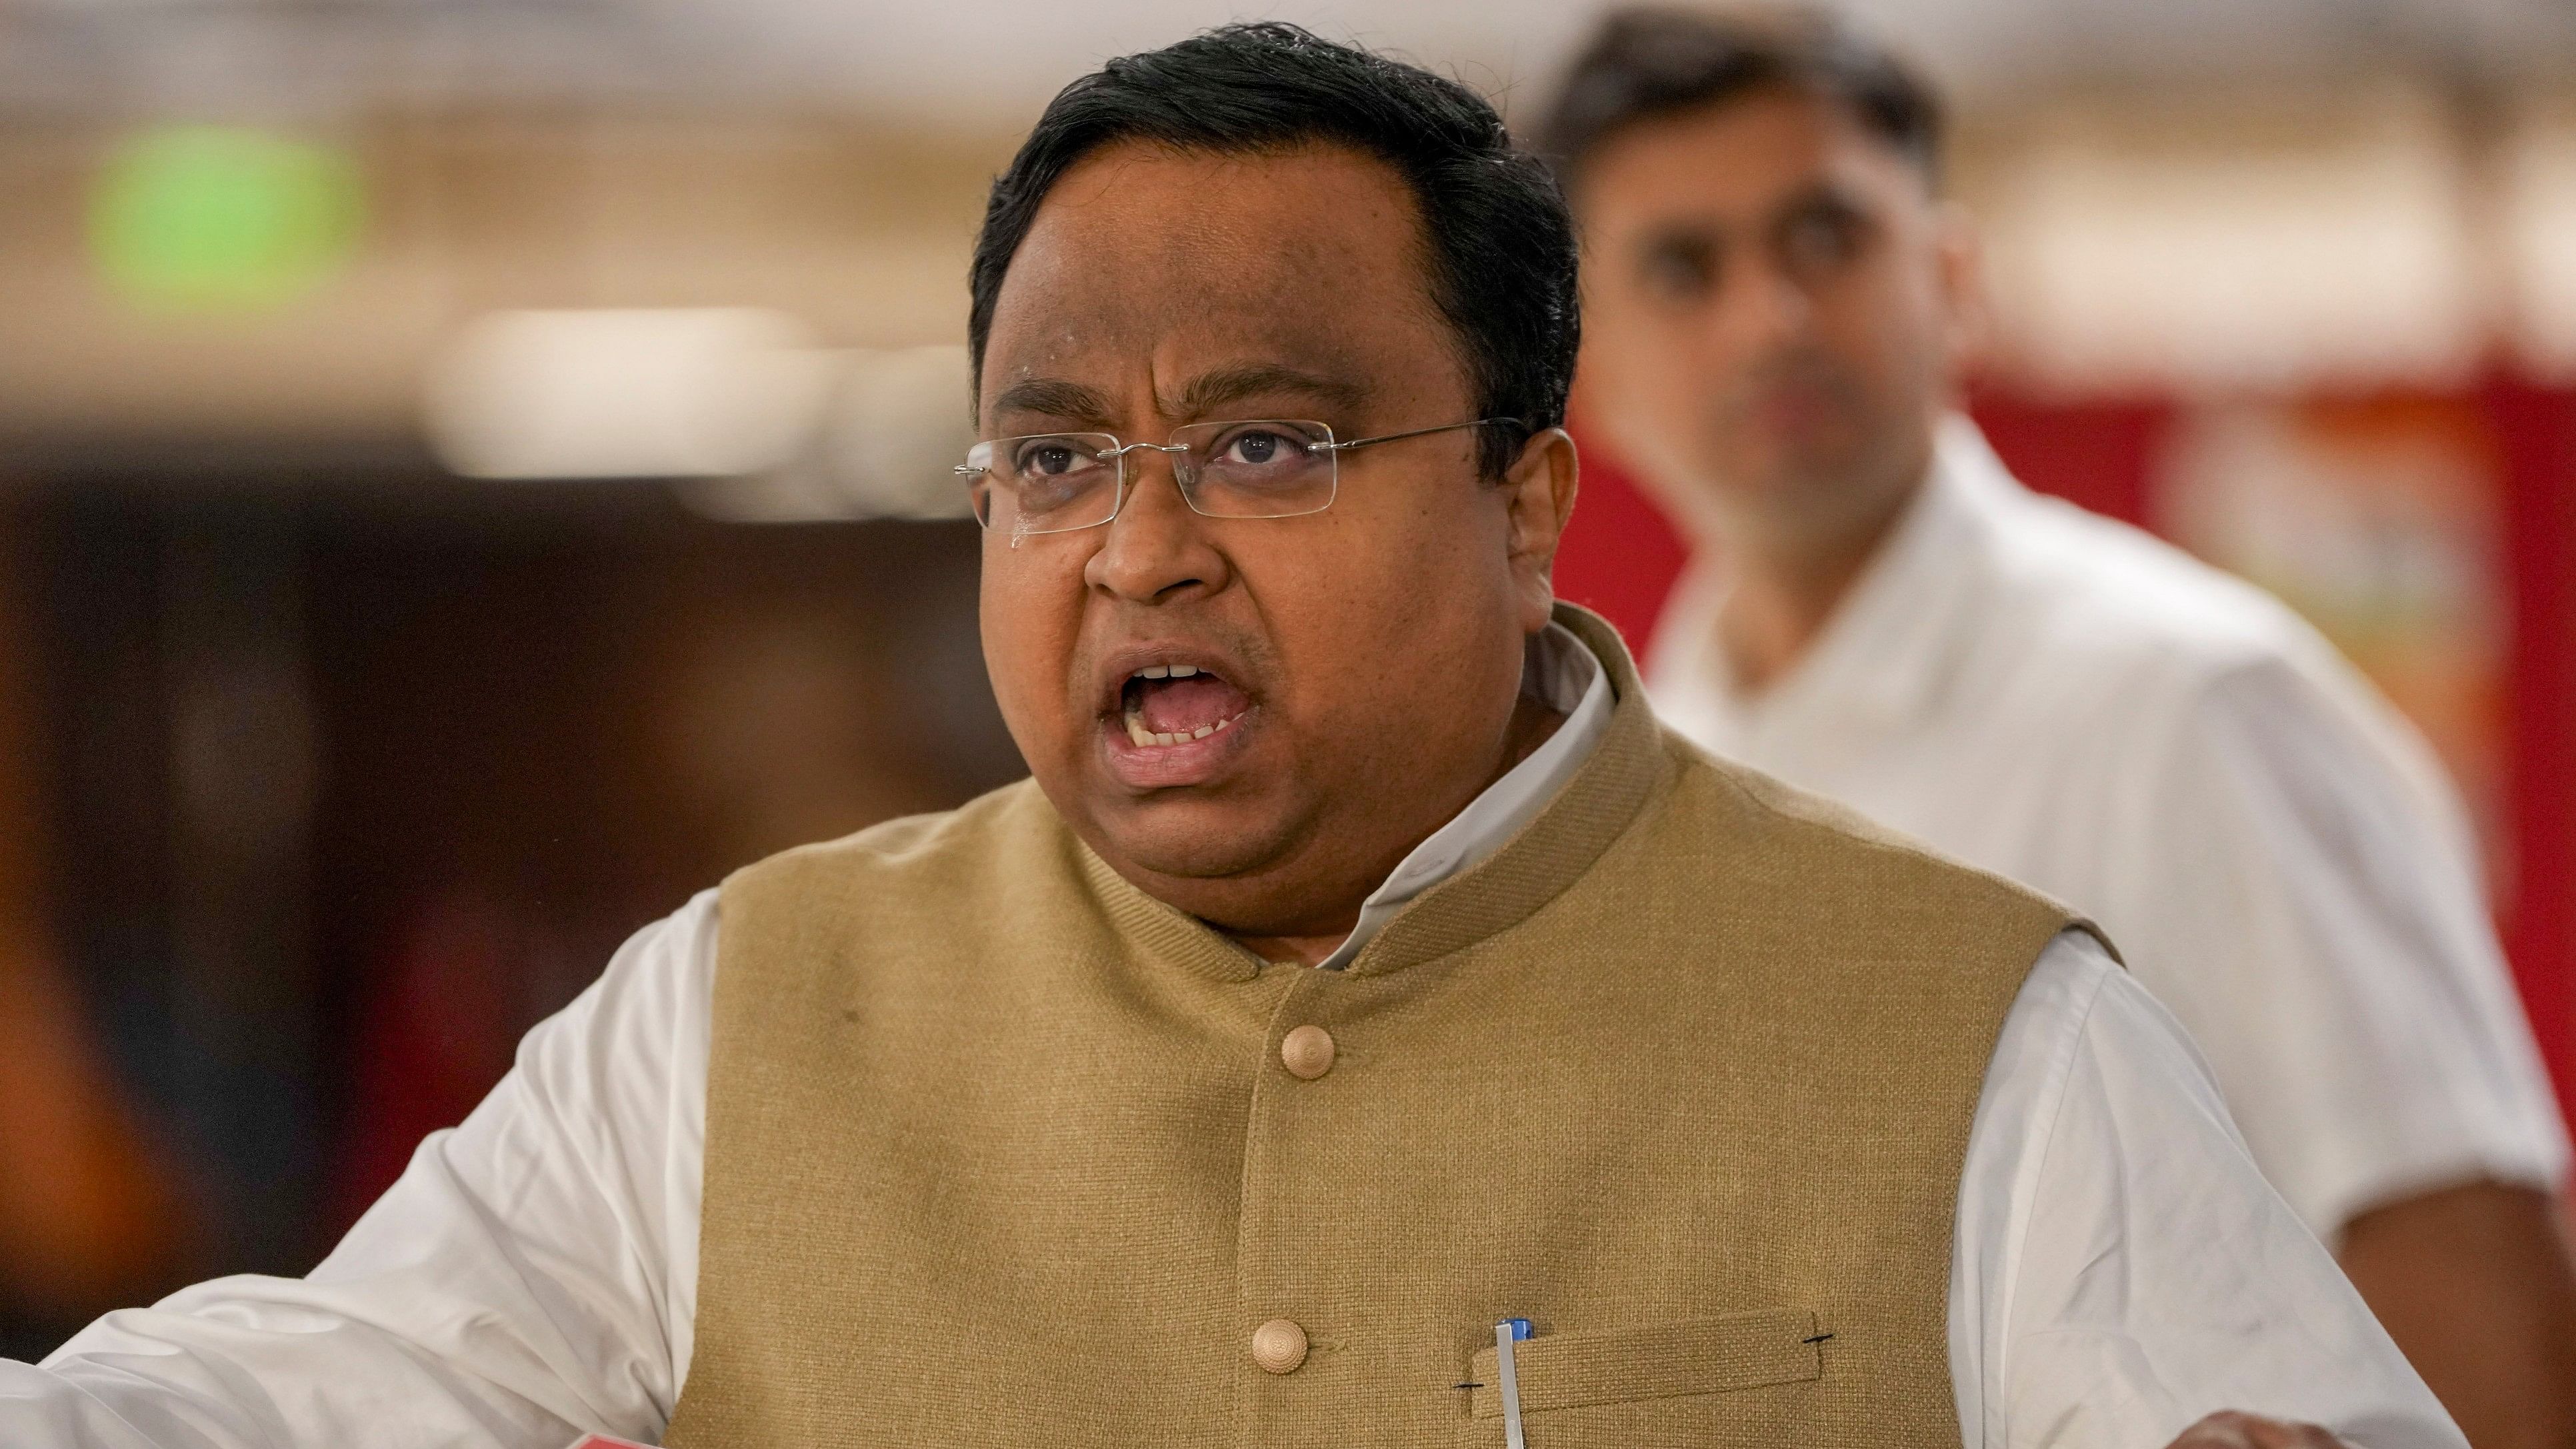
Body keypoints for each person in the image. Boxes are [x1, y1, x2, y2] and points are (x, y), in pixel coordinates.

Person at [0, 23, 2459, 1448]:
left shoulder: (1968, 1032)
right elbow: (302, 1392)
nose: (1137, 550)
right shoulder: (738, 1020)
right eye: (1052, 460)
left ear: (1527, 506)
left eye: (1267, 447)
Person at [1543, 8, 2576, 1445]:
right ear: (1588, 366)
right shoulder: (1653, 763)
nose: (1768, 315)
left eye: (1826, 238)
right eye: (1683, 268)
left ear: (1954, 282)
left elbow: (2476, 1296)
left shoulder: (2188, 705)